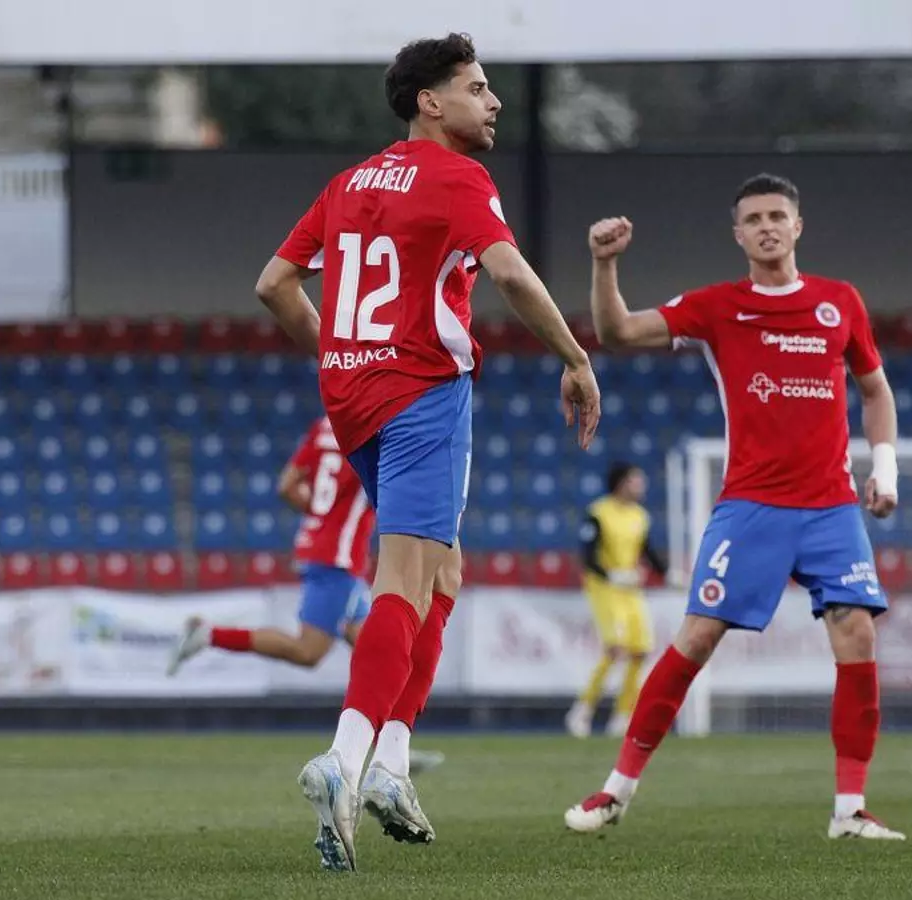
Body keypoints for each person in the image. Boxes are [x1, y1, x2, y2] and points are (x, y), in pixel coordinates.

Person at [253, 33, 601, 872]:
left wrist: (339, 353)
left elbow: (273, 284)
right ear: (430, 102)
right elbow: (510, 274)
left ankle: (393, 764)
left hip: (353, 398)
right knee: (406, 579)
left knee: (443, 572)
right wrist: (574, 357)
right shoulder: (458, 178)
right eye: (477, 88)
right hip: (422, 393)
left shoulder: (348, 184)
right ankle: (347, 759)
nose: (495, 101)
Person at [562, 173, 906, 841]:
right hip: (753, 505)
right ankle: (615, 791)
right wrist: (605, 265)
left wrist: (884, 470)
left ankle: (849, 810)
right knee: (697, 636)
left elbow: (875, 391)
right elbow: (619, 332)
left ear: (797, 226)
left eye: (778, 215)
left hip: (832, 507)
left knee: (858, 634)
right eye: (754, 219)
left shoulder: (839, 302)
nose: (767, 226)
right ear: (738, 235)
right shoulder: (718, 307)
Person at [165, 416, 445, 775]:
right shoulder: (376, 421)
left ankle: (391, 747)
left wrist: (323, 514)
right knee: (309, 650)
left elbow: (287, 485)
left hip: (322, 546)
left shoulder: (327, 425)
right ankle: (208, 634)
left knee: (378, 649)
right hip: (338, 559)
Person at [566, 462, 671, 738]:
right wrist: (612, 575)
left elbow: (648, 552)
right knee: (615, 649)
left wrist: (669, 574)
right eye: (637, 480)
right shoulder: (599, 513)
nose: (642, 486)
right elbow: (588, 557)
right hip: (605, 589)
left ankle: (622, 717)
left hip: (631, 590)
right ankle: (583, 709)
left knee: (641, 652)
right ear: (622, 483)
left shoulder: (640, 516)